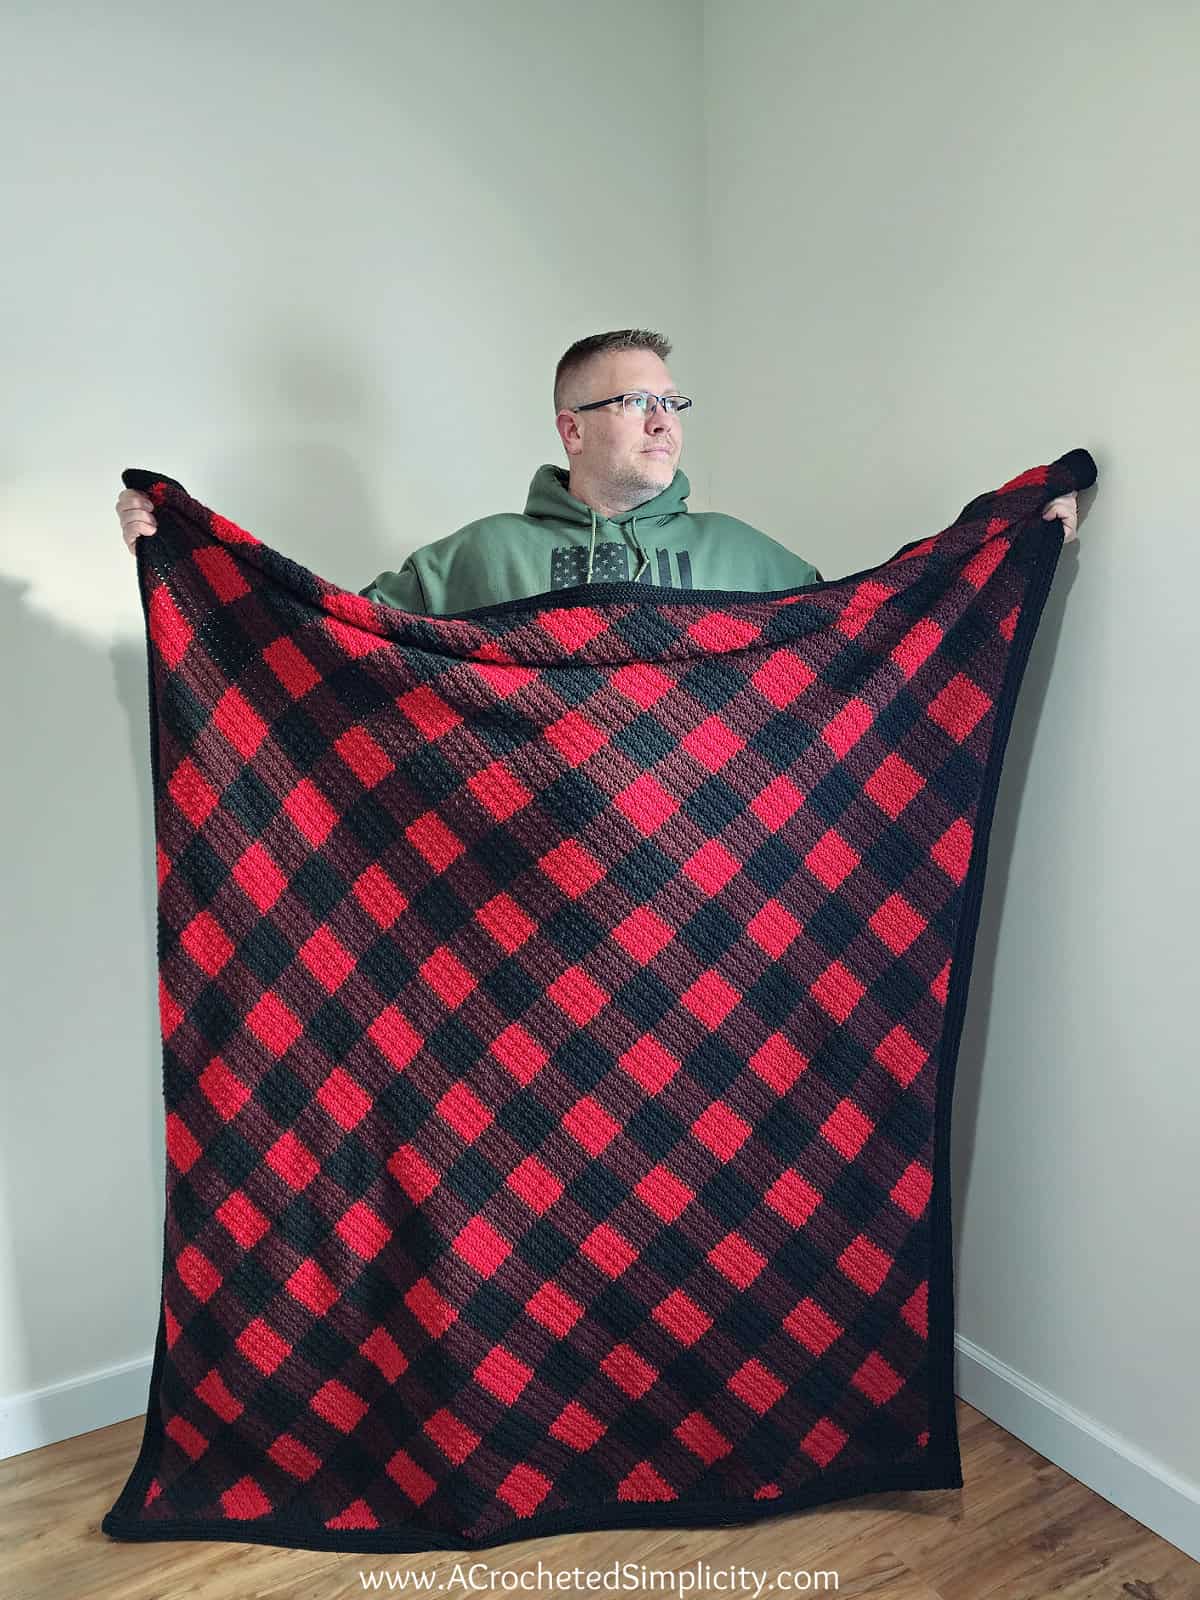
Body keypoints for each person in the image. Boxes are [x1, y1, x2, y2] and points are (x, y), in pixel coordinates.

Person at [115, 328, 1079, 602]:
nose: (664, 422)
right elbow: (322, 641)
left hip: (710, 914)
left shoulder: (746, 558)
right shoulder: (475, 560)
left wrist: (1007, 544)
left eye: (673, 403)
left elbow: (874, 630)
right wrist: (181, 556)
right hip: (508, 915)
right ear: (570, 430)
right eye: (635, 402)